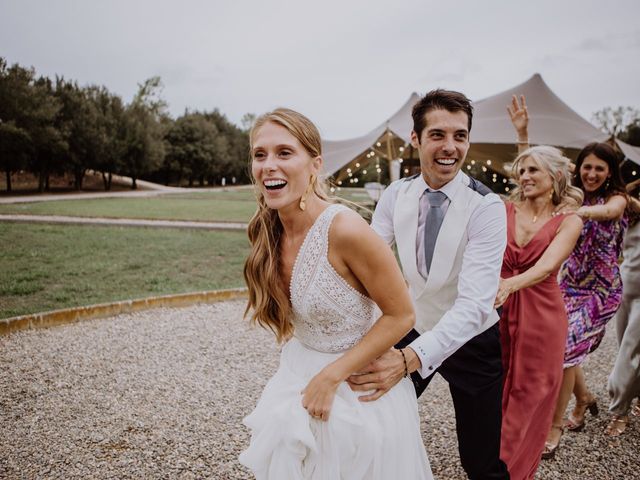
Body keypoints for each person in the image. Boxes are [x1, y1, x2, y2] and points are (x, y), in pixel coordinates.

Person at [238, 108, 432, 479]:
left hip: (357, 388)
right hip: (296, 373)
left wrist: (331, 377)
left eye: (284, 153)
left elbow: (402, 314)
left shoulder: (345, 230)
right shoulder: (270, 231)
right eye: (260, 155)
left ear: (315, 164)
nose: (269, 165)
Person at [348, 89, 510, 479]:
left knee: (480, 460)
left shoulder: (487, 208)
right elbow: (365, 264)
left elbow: (474, 306)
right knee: (366, 420)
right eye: (438, 134)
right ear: (416, 139)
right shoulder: (396, 194)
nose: (450, 147)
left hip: (473, 339)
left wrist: (408, 360)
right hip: (413, 323)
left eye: (460, 135)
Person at [509, 96, 630, 455]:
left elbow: (608, 211)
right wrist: (523, 133)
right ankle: (586, 397)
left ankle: (555, 427)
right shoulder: (568, 198)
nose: (592, 174)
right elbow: (531, 172)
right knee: (570, 352)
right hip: (569, 287)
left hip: (602, 292)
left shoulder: (616, 200)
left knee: (564, 350)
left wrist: (578, 215)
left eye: (600, 169)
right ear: (577, 171)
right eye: (587, 168)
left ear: (610, 172)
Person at [494, 144, 583, 476]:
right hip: (498, 315)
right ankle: (492, 460)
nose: (524, 175)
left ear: (555, 176)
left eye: (533, 170)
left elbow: (547, 267)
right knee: (497, 385)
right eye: (522, 170)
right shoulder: (504, 209)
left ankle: (510, 469)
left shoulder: (569, 221)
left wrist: (508, 285)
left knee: (529, 393)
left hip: (542, 317)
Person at [605, 179, 640, 436]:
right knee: (625, 348)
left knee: (629, 352)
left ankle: (620, 412)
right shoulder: (630, 210)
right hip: (625, 288)